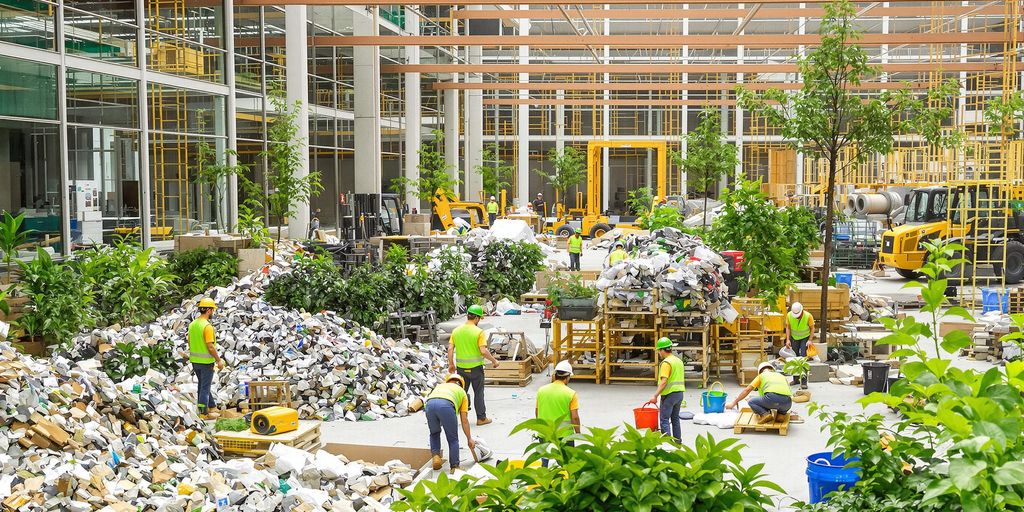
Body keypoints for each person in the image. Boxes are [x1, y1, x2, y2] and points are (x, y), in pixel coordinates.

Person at [448, 304, 500, 426]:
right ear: (476, 318)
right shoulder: (479, 332)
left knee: (461, 393)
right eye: (479, 319)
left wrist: (451, 364)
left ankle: (460, 417)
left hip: (461, 369)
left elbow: (450, 349)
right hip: (476, 368)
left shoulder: (456, 331)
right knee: (479, 392)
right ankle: (481, 418)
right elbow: (483, 351)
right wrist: (494, 361)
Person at [425, 374, 476, 473]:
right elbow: (464, 420)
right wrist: (469, 438)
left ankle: (436, 457)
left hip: (429, 405)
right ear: (461, 384)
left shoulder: (439, 386)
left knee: (434, 433)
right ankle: (454, 466)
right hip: (446, 406)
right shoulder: (462, 392)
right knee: (453, 439)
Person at [188, 298, 225, 418]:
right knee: (204, 387)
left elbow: (189, 341)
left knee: (203, 384)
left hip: (195, 361)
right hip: (206, 362)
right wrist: (218, 360)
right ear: (208, 310)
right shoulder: (207, 326)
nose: (213, 312)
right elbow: (210, 346)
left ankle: (212, 406)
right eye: (213, 310)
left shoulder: (193, 324)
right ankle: (203, 412)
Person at [726, 362, 793, 424]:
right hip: (787, 403)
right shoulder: (782, 376)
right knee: (781, 405)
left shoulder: (761, 376)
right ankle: (781, 415)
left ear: (760, 371)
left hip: (771, 399)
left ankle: (765, 414)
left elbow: (746, 390)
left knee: (751, 401)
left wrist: (733, 403)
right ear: (772, 369)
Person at [647, 337, 685, 441]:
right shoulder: (678, 361)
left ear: (662, 350)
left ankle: (667, 444)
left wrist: (655, 396)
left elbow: (664, 381)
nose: (659, 353)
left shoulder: (666, 363)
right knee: (675, 419)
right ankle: (678, 442)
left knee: (664, 419)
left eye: (659, 350)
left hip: (669, 395)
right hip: (679, 394)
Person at [536, 360, 581, 441]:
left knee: (545, 454)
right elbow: (575, 418)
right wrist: (578, 433)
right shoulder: (571, 393)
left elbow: (537, 412)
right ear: (567, 377)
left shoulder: (541, 390)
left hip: (545, 434)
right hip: (565, 436)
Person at [785, 302, 814, 389]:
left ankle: (804, 381)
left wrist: (810, 340)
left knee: (803, 358)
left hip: (805, 338)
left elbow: (812, 328)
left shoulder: (808, 316)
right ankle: (796, 379)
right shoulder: (789, 315)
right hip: (794, 338)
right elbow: (788, 327)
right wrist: (788, 339)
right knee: (794, 358)